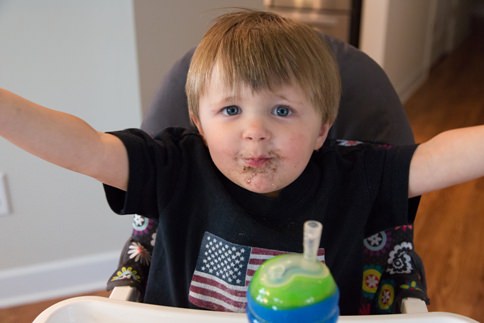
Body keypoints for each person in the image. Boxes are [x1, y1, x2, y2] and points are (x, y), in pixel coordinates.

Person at [0, 10, 483, 315]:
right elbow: (83, 147)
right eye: (230, 110)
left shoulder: (356, 175)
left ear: (322, 129)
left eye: (281, 110)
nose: (255, 130)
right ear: (198, 123)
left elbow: (440, 158)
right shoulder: (174, 165)